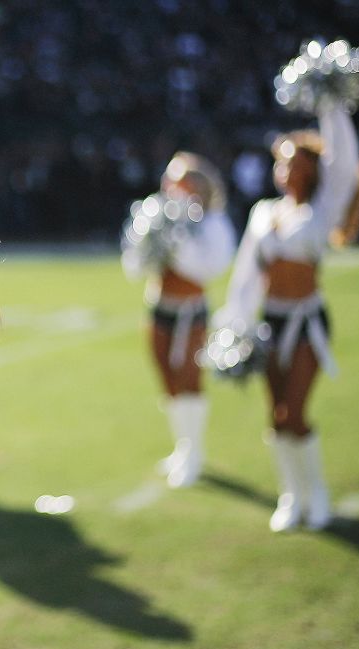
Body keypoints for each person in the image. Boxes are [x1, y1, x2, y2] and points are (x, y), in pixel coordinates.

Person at [217, 96, 359, 532]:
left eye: (294, 161)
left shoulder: (321, 211)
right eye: (281, 161)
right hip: (270, 323)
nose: (285, 169)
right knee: (275, 414)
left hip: (306, 321)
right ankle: (290, 496)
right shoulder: (263, 213)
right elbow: (246, 275)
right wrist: (233, 326)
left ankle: (316, 495)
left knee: (294, 413)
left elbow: (345, 162)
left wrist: (330, 103)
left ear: (312, 170)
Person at [122, 153, 235, 488]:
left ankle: (194, 452)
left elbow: (210, 268)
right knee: (167, 377)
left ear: (197, 184)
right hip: (159, 305)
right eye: (169, 179)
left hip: (191, 310)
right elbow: (134, 264)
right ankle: (181, 446)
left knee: (188, 376)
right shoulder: (154, 214)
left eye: (179, 179)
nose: (171, 186)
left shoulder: (212, 221)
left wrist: (177, 239)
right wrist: (151, 240)